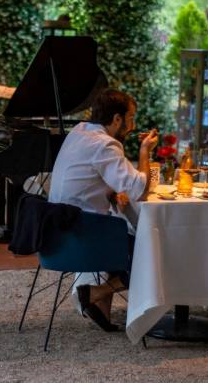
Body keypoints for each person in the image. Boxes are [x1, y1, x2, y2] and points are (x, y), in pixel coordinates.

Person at [48, 88, 159, 331]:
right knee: (150, 249)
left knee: (125, 234)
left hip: (56, 229)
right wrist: (144, 152)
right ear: (117, 119)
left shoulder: (79, 132)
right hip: (80, 234)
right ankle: (95, 292)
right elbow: (139, 189)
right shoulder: (104, 144)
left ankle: (101, 306)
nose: (132, 125)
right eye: (130, 118)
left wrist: (111, 190)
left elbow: (88, 176)